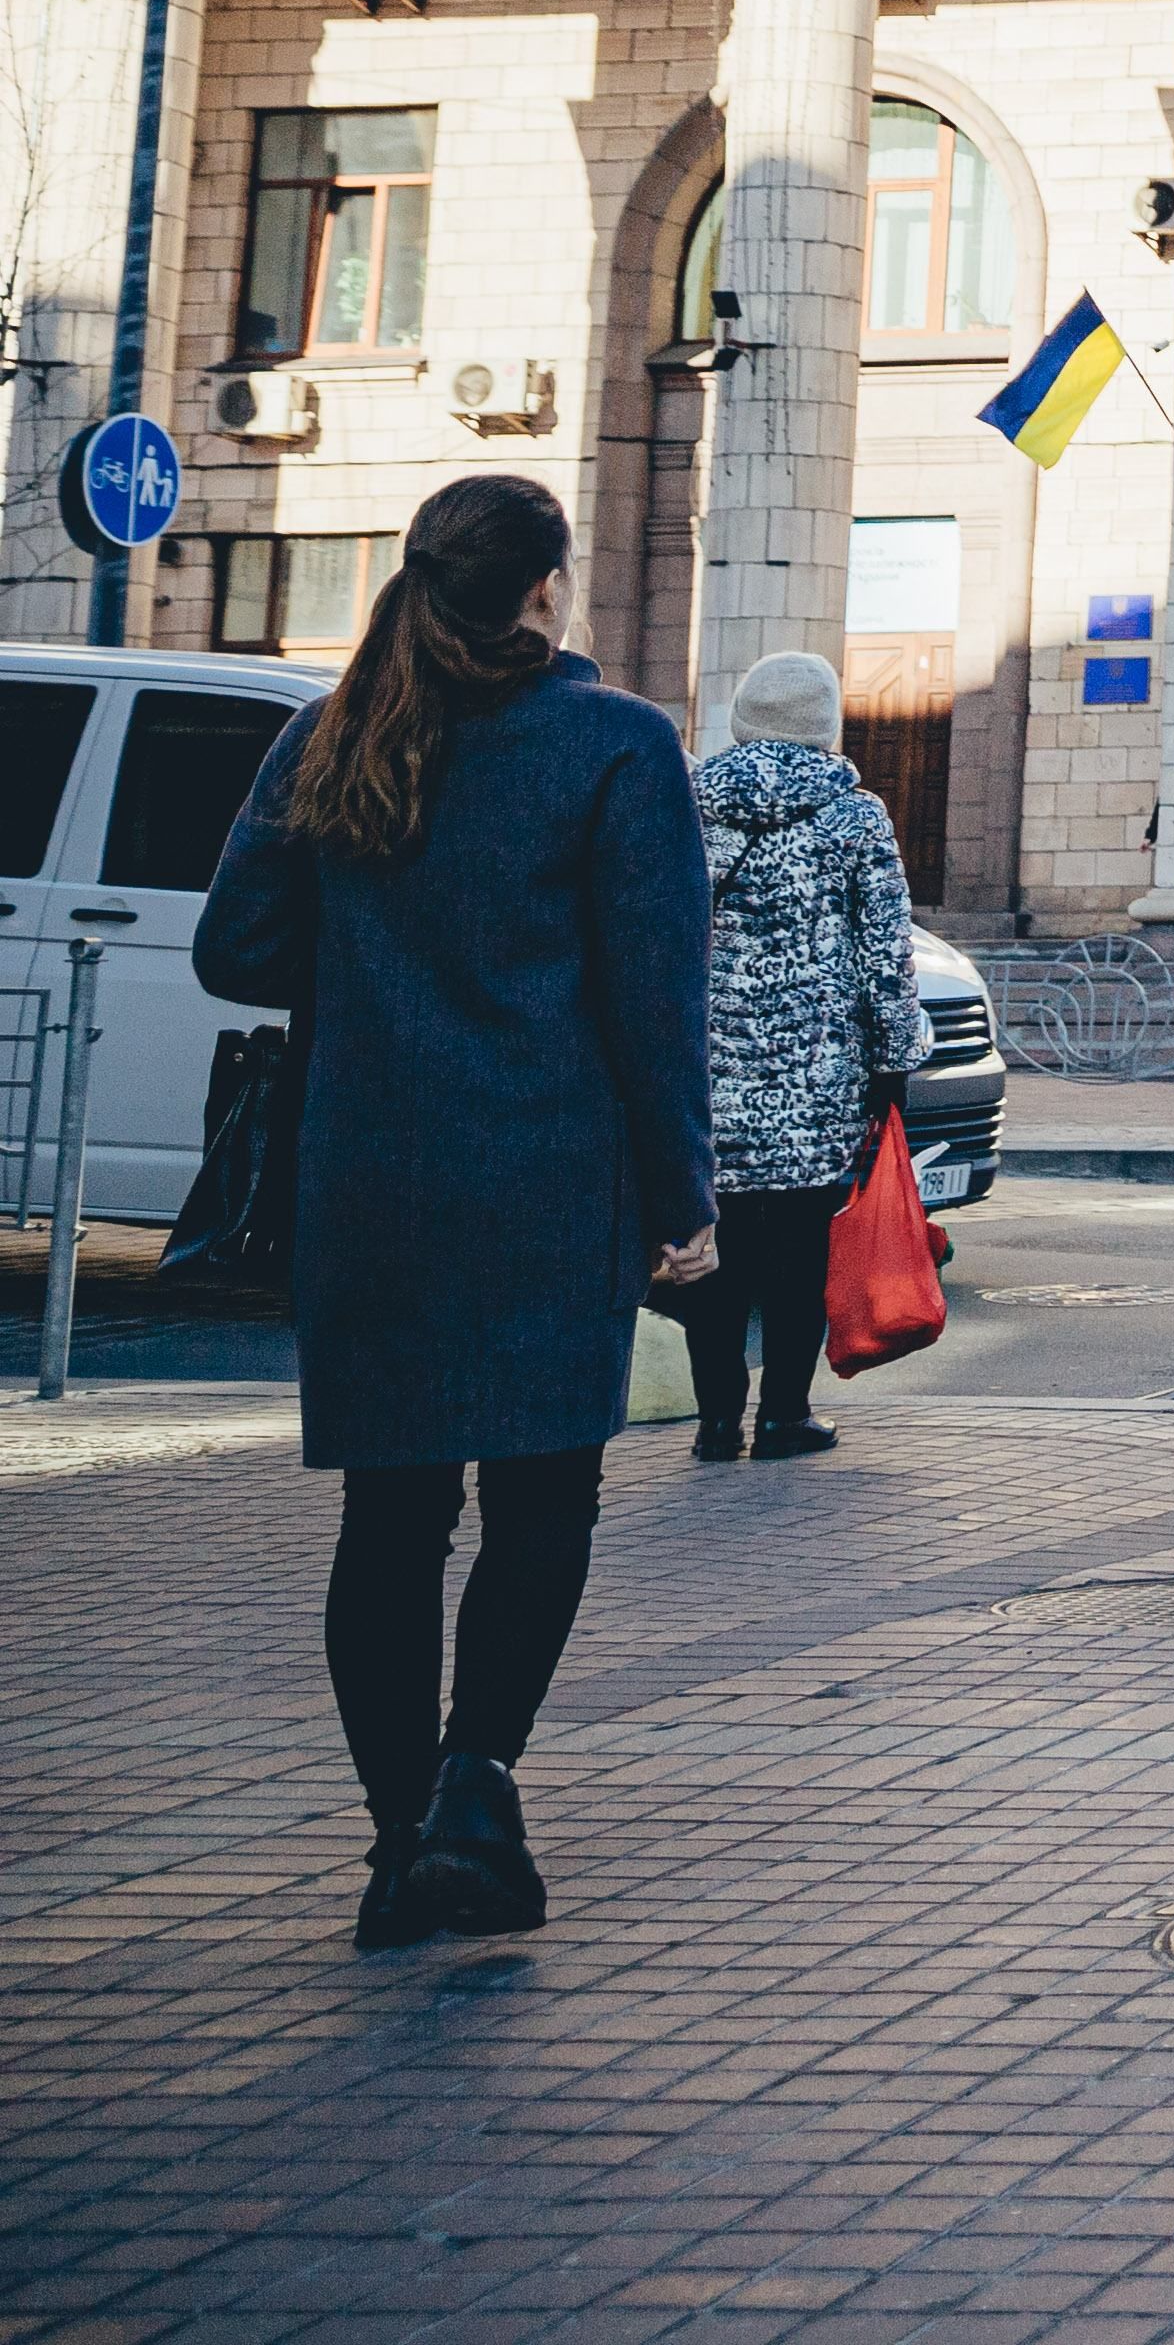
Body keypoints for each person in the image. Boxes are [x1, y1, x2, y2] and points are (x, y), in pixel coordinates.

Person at [191, 472, 713, 1950]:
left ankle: (398, 1834)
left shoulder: (337, 730)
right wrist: (683, 1196)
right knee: (544, 1499)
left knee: (393, 1513)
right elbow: (652, 998)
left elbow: (236, 949)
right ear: (548, 589)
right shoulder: (615, 744)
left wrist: (372, 952)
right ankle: (478, 1784)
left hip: (369, 1179)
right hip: (552, 1182)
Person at [677, 653, 930, 1465]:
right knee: (797, 1249)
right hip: (819, 1079)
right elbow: (886, 955)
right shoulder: (854, 817)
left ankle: (717, 1419)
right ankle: (783, 1414)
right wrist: (893, 1058)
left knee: (714, 1251)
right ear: (826, 724)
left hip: (707, 1073)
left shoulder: (689, 807)